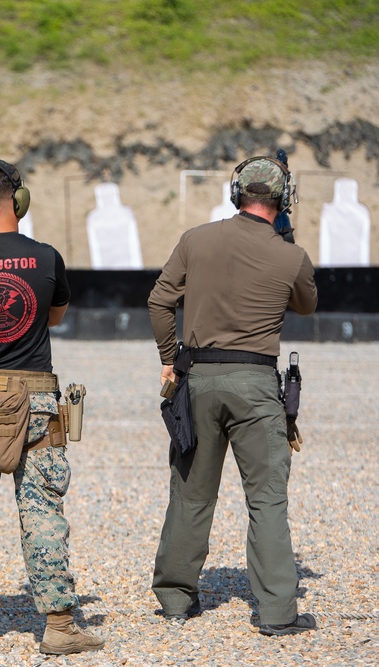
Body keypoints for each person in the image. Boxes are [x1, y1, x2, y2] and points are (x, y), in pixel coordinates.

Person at [0, 160, 104, 655]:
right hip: (37, 399)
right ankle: (58, 625)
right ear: (19, 199)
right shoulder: (47, 258)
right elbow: (54, 315)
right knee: (43, 509)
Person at [148, 154, 318, 635]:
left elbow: (160, 301)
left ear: (236, 193)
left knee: (190, 493)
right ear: (282, 200)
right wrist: (285, 238)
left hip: (198, 379)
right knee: (266, 500)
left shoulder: (196, 239)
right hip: (257, 385)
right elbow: (307, 304)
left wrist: (168, 356)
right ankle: (279, 614)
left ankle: (176, 599)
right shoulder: (291, 256)